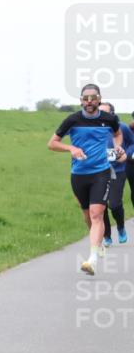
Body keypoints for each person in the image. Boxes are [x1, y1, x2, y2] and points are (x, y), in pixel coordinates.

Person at [47, 84, 124, 275]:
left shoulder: (109, 119)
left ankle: (92, 259)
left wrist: (118, 146)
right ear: (80, 100)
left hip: (101, 172)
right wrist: (70, 148)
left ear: (99, 99)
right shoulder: (72, 120)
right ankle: (98, 244)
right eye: (85, 98)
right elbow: (52, 143)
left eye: (93, 98)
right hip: (79, 174)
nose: (89, 102)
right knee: (88, 216)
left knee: (97, 214)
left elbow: (118, 133)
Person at [98, 101, 134, 246]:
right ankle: (106, 235)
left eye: (105, 113)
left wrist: (127, 154)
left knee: (114, 204)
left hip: (117, 170)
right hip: (97, 171)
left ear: (112, 114)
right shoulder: (93, 129)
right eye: (99, 113)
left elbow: (132, 143)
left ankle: (121, 228)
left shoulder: (122, 128)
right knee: (100, 206)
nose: (102, 116)